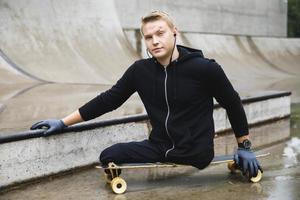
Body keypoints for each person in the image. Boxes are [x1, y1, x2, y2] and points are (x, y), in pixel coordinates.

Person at [31, 11, 262, 178]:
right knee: (108, 155)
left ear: (174, 33)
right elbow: (109, 100)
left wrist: (245, 146)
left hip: (196, 151)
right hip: (159, 147)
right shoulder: (140, 71)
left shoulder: (205, 68)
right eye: (149, 37)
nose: (155, 41)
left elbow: (232, 103)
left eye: (160, 33)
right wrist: (63, 122)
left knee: (116, 155)